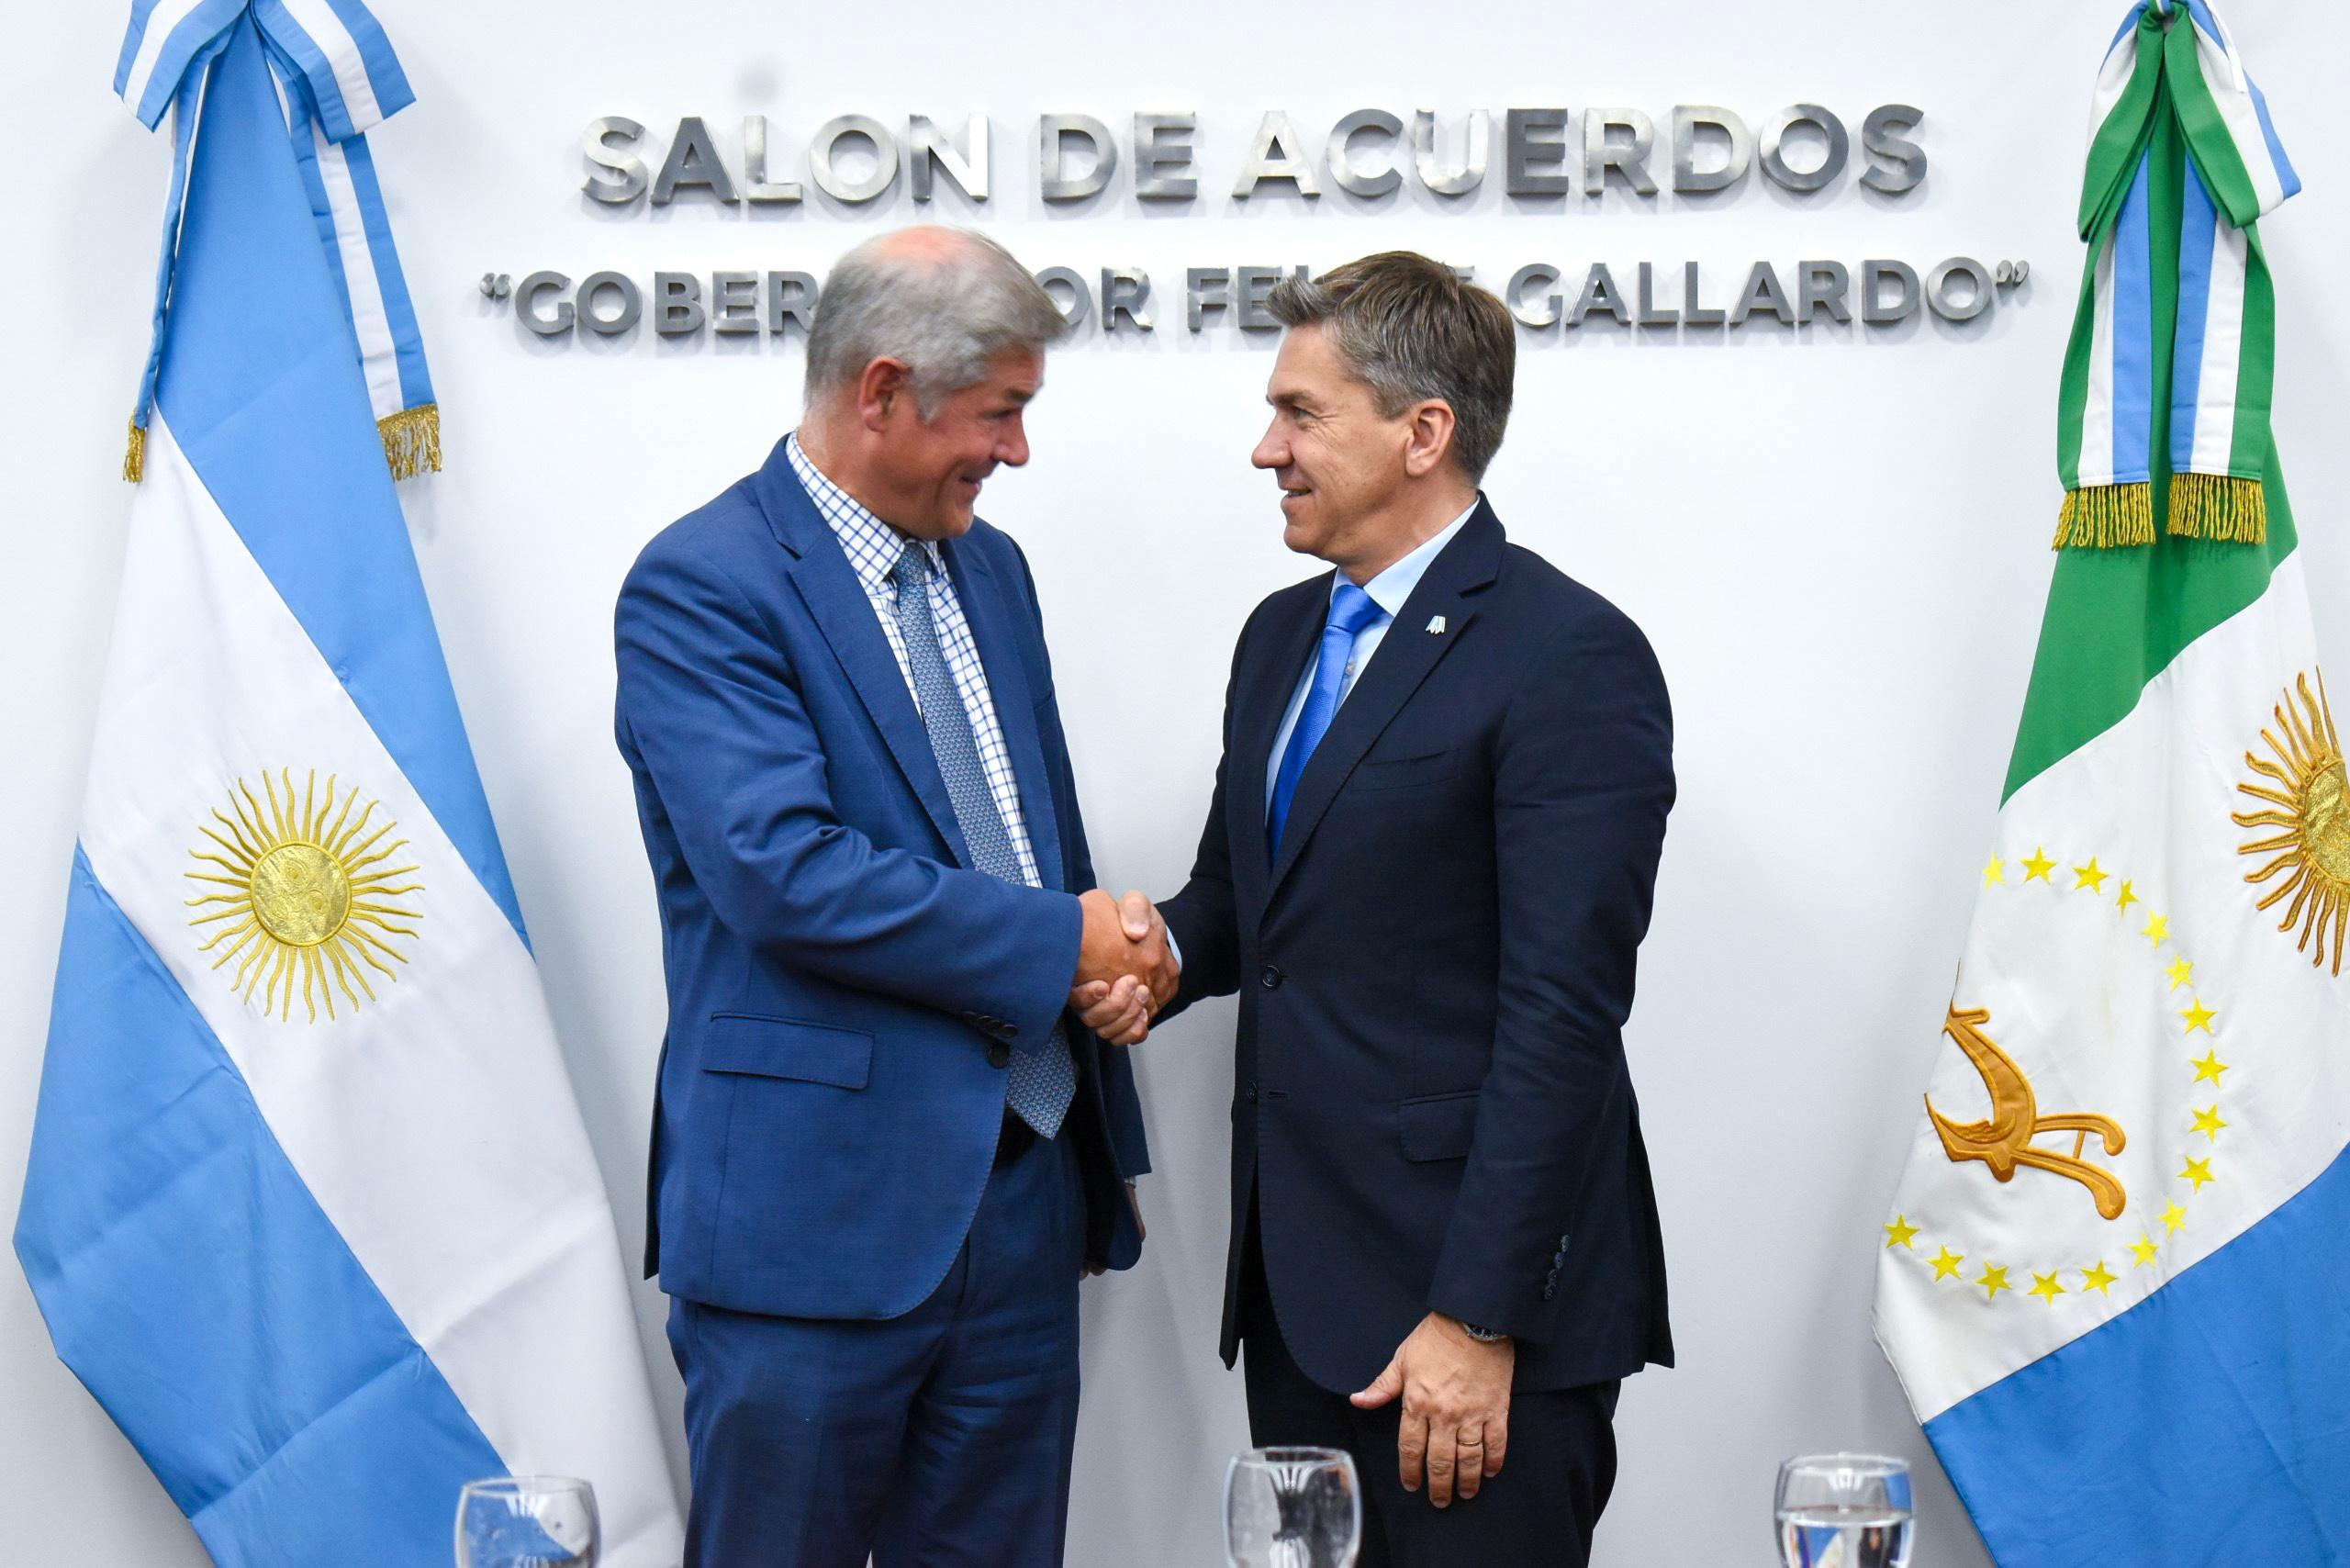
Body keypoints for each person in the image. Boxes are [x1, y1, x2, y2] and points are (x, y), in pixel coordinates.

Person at [1082, 251, 1676, 1566]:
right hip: (1300, 1301)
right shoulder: (1278, 638)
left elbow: (1564, 1017)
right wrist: (1159, 954)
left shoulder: (1569, 655)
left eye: (1301, 414)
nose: (1267, 451)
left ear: (1424, 433)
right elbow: (1248, 904)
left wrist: (1477, 1317)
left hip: (1464, 1324)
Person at [614, 225, 1177, 1568]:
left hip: (1024, 1202)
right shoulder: (704, 584)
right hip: (811, 1229)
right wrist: (1061, 939)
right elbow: (785, 873)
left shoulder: (994, 568)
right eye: (1000, 412)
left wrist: (1107, 961)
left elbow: (1028, 841)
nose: (1017, 451)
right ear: (882, 391)